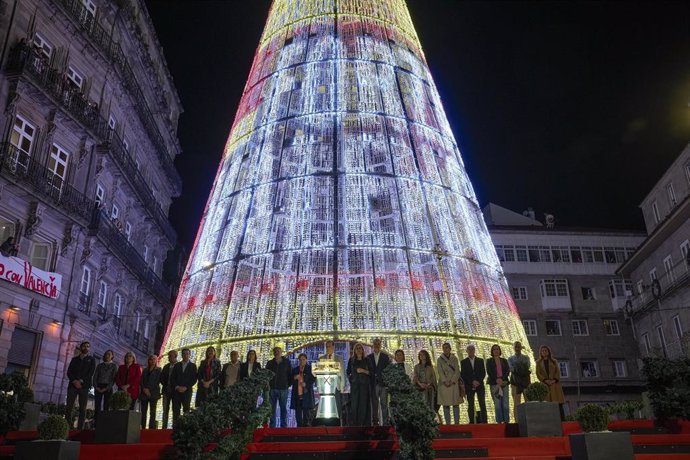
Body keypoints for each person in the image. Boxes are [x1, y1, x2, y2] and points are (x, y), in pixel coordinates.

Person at [65, 341, 96, 429]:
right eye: (84, 346)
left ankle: (80, 428)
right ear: (81, 347)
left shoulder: (91, 360)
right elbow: (69, 372)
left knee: (82, 408)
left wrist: (81, 381)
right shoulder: (74, 359)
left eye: (88, 346)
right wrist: (74, 381)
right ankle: (67, 426)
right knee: (69, 407)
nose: (86, 348)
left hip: (84, 386)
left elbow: (91, 372)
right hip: (72, 385)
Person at [536, 345, 565, 420]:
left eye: (546, 350)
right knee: (547, 403)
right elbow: (538, 373)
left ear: (548, 352)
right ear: (541, 353)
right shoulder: (538, 362)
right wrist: (545, 380)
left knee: (558, 403)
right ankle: (549, 420)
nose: (544, 352)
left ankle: (562, 420)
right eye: (543, 351)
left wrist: (554, 380)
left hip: (555, 385)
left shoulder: (554, 361)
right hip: (545, 385)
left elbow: (557, 372)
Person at [319, 340, 345, 424]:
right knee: (326, 407)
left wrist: (342, 387)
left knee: (337, 406)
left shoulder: (339, 358)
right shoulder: (321, 358)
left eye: (329, 346)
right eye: (326, 346)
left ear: (333, 347)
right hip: (325, 387)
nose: (328, 348)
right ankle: (326, 424)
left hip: (336, 386)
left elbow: (342, 374)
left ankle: (337, 423)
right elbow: (319, 372)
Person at [266, 345, 292, 427]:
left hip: (283, 389)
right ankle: (272, 425)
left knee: (283, 408)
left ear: (281, 352)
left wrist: (287, 385)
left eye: (278, 351)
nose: (276, 352)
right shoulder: (270, 363)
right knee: (271, 409)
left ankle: (283, 426)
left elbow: (290, 374)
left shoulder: (287, 362)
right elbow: (267, 375)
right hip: (272, 389)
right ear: (273, 353)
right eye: (275, 351)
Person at [366, 338, 390, 425]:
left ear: (380, 345)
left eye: (378, 344)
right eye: (375, 344)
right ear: (373, 346)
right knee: (374, 405)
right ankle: (375, 423)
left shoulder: (385, 357)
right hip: (373, 384)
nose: (376, 346)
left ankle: (385, 423)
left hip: (383, 384)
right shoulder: (369, 357)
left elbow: (388, 370)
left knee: (384, 404)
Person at [461, 344, 487, 424]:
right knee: (470, 404)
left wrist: (478, 381)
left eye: (472, 349)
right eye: (469, 350)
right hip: (469, 386)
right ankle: (471, 421)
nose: (471, 351)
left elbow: (483, 372)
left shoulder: (480, 360)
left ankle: (484, 421)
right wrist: (472, 382)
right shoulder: (463, 362)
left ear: (474, 350)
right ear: (467, 351)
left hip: (480, 385)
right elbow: (463, 374)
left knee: (482, 403)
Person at [437, 342, 462, 424]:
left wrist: (452, 381)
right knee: (445, 404)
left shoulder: (454, 358)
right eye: (444, 348)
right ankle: (448, 424)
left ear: (450, 348)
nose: (445, 349)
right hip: (444, 385)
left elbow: (457, 371)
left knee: (455, 404)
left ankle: (457, 423)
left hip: (453, 384)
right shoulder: (439, 359)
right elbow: (440, 371)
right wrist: (445, 381)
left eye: (447, 347)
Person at [347, 342, 371, 426]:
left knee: (363, 404)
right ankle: (355, 424)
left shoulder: (367, 360)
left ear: (362, 350)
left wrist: (363, 371)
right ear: (354, 350)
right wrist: (351, 380)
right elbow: (348, 372)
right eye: (357, 348)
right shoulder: (351, 360)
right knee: (354, 405)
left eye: (360, 348)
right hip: (355, 386)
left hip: (364, 386)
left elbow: (371, 372)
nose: (358, 350)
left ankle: (363, 424)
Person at [171, 348, 197, 425]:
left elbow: (194, 379)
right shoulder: (177, 365)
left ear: (189, 355)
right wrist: (177, 387)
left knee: (186, 410)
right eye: (184, 354)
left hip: (187, 391)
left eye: (187, 354)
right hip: (176, 391)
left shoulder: (193, 366)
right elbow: (172, 378)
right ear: (182, 355)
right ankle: (175, 427)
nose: (185, 355)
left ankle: (186, 427)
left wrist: (186, 387)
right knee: (176, 409)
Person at [486, 344, 510, 423]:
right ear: (492, 351)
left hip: (504, 383)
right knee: (497, 403)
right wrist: (497, 380)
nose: (496, 351)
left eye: (497, 349)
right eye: (494, 349)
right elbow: (489, 371)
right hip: (494, 384)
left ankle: (506, 420)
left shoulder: (504, 360)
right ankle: (499, 421)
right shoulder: (489, 361)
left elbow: (507, 370)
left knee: (505, 402)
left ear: (499, 351)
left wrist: (501, 379)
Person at [508, 341, 531, 421]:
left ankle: (528, 419)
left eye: (519, 346)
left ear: (521, 347)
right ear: (513, 348)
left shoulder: (526, 357)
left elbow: (527, 366)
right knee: (516, 403)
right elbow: (512, 369)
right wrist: (520, 367)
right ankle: (517, 421)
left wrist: (517, 367)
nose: (517, 348)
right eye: (516, 346)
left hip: (525, 381)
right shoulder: (510, 359)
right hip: (515, 382)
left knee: (528, 401)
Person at [291, 353, 316, 427]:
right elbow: (290, 380)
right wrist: (294, 377)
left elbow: (313, 379)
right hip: (297, 394)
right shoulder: (295, 369)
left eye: (303, 360)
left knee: (306, 413)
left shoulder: (310, 369)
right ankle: (299, 428)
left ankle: (306, 428)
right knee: (298, 413)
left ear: (306, 360)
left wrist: (306, 384)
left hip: (306, 394)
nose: (302, 361)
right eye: (300, 360)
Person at [93, 350, 117, 425]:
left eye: (109, 354)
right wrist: (96, 387)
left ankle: (105, 424)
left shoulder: (114, 366)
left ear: (112, 356)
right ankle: (96, 423)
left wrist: (106, 388)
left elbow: (113, 379)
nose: (107, 355)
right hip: (99, 386)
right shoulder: (100, 365)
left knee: (106, 406)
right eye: (106, 354)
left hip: (108, 387)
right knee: (97, 406)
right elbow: (95, 376)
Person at [140, 354, 161, 429]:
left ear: (156, 361)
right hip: (144, 393)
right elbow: (141, 381)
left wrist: (149, 390)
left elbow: (157, 381)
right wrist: (144, 389)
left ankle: (151, 428)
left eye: (154, 359)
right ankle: (142, 427)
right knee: (143, 412)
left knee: (153, 412)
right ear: (149, 360)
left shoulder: (159, 370)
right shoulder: (145, 370)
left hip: (154, 393)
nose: (152, 361)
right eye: (151, 359)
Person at [159, 350, 178, 429]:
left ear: (175, 356)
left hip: (175, 392)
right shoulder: (166, 366)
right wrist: (166, 384)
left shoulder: (179, 366)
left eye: (170, 356)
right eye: (169, 356)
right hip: (166, 391)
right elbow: (162, 377)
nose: (169, 357)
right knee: (165, 409)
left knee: (175, 409)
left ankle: (175, 427)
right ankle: (164, 427)